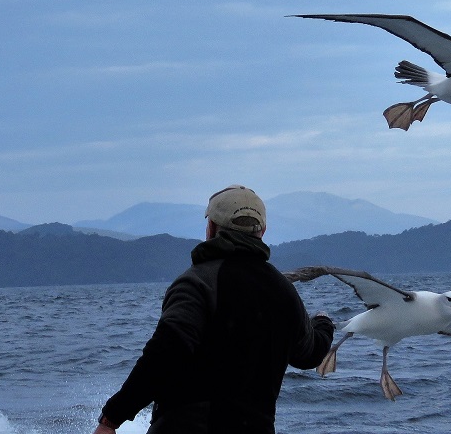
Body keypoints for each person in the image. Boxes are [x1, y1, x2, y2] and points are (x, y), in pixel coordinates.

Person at [92, 185, 334, 434]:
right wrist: (324, 323)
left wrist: (112, 419)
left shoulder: (198, 282)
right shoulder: (284, 292)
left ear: (211, 229)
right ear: (262, 231)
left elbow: (166, 352)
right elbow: (309, 354)